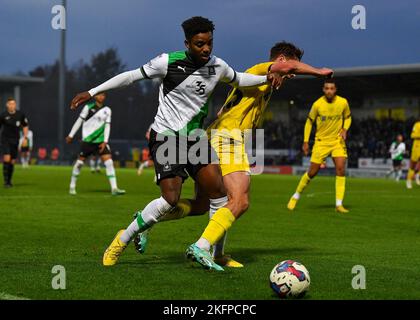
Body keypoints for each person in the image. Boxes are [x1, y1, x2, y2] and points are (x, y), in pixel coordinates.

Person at [70, 16, 281, 271]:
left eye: (209, 43)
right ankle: (121, 239)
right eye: (199, 44)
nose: (206, 49)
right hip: (167, 137)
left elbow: (239, 79)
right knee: (170, 199)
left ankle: (215, 253)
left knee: (219, 194)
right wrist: (91, 92)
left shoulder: (218, 66)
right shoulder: (167, 62)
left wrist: (266, 78)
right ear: (188, 43)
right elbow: (129, 77)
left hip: (195, 138)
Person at [133, 41, 333, 268]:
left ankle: (149, 220)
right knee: (240, 200)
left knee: (203, 205)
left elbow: (227, 108)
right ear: (281, 61)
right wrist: (319, 72)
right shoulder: (260, 70)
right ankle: (202, 247)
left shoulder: (262, 84)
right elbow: (289, 69)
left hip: (214, 136)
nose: (291, 76)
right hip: (227, 139)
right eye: (290, 69)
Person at [287, 79, 352, 213]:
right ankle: (296, 195)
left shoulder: (343, 102)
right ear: (323, 89)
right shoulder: (317, 104)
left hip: (337, 141)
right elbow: (309, 122)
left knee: (341, 169)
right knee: (312, 172)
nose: (329, 91)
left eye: (331, 88)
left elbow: (348, 117)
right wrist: (305, 141)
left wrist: (345, 129)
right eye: (327, 88)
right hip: (321, 142)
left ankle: (339, 204)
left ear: (335, 89)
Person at [66, 92, 125, 196]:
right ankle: (72, 186)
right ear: (95, 96)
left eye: (103, 95)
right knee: (79, 163)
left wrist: (105, 141)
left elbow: (107, 126)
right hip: (87, 141)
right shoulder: (88, 107)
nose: (101, 97)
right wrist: (71, 135)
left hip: (101, 142)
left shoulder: (107, 110)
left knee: (109, 162)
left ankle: (114, 188)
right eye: (99, 95)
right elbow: (79, 121)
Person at [0, 97, 29, 187]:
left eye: (13, 104)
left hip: (15, 140)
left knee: (12, 161)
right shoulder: (3, 115)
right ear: (7, 105)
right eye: (10, 104)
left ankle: (9, 180)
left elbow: (25, 126)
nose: (12, 105)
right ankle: (6, 182)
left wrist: (25, 138)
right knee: (7, 158)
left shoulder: (20, 115)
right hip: (5, 140)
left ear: (15, 105)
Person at [406, 120, 420, 189]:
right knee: (413, 165)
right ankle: (409, 180)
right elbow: (413, 135)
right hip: (417, 146)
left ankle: (417, 177)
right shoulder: (417, 124)